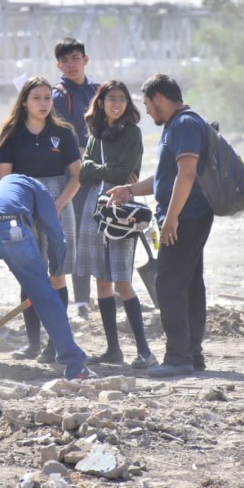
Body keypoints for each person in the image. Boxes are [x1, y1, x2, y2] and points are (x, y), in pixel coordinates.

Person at [108, 74, 212, 378]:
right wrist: (129, 190)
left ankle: (179, 356)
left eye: (148, 104)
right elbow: (165, 178)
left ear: (159, 99)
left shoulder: (185, 124)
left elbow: (187, 174)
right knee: (189, 284)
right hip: (184, 214)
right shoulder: (175, 126)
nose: (148, 111)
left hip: (188, 216)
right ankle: (192, 354)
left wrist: (172, 217)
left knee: (169, 283)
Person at [0, 174, 90, 381]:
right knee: (45, 297)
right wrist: (56, 268)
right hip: (12, 229)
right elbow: (54, 230)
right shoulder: (36, 186)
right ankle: (75, 366)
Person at [0, 76, 81, 363]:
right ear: (24, 102)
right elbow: (3, 177)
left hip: (59, 202)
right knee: (29, 271)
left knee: (58, 272)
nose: (44, 103)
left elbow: (77, 176)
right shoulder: (11, 133)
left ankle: (56, 344)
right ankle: (32, 343)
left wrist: (56, 205)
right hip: (22, 203)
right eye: (37, 98)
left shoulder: (64, 133)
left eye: (48, 98)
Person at [76, 80, 157, 368]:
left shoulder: (133, 133)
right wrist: (98, 171)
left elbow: (124, 172)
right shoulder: (96, 133)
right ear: (101, 102)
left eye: (122, 98)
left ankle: (144, 351)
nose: (117, 103)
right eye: (112, 98)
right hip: (93, 207)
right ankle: (113, 350)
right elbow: (83, 173)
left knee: (122, 279)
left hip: (121, 208)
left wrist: (97, 170)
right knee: (102, 279)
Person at [52, 37, 99, 320]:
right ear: (59, 65)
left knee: (91, 234)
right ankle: (74, 300)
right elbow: (60, 136)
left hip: (97, 173)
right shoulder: (59, 96)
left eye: (76, 58)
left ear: (86, 59)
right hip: (70, 175)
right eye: (66, 60)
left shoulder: (97, 92)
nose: (72, 64)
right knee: (71, 235)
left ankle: (85, 299)